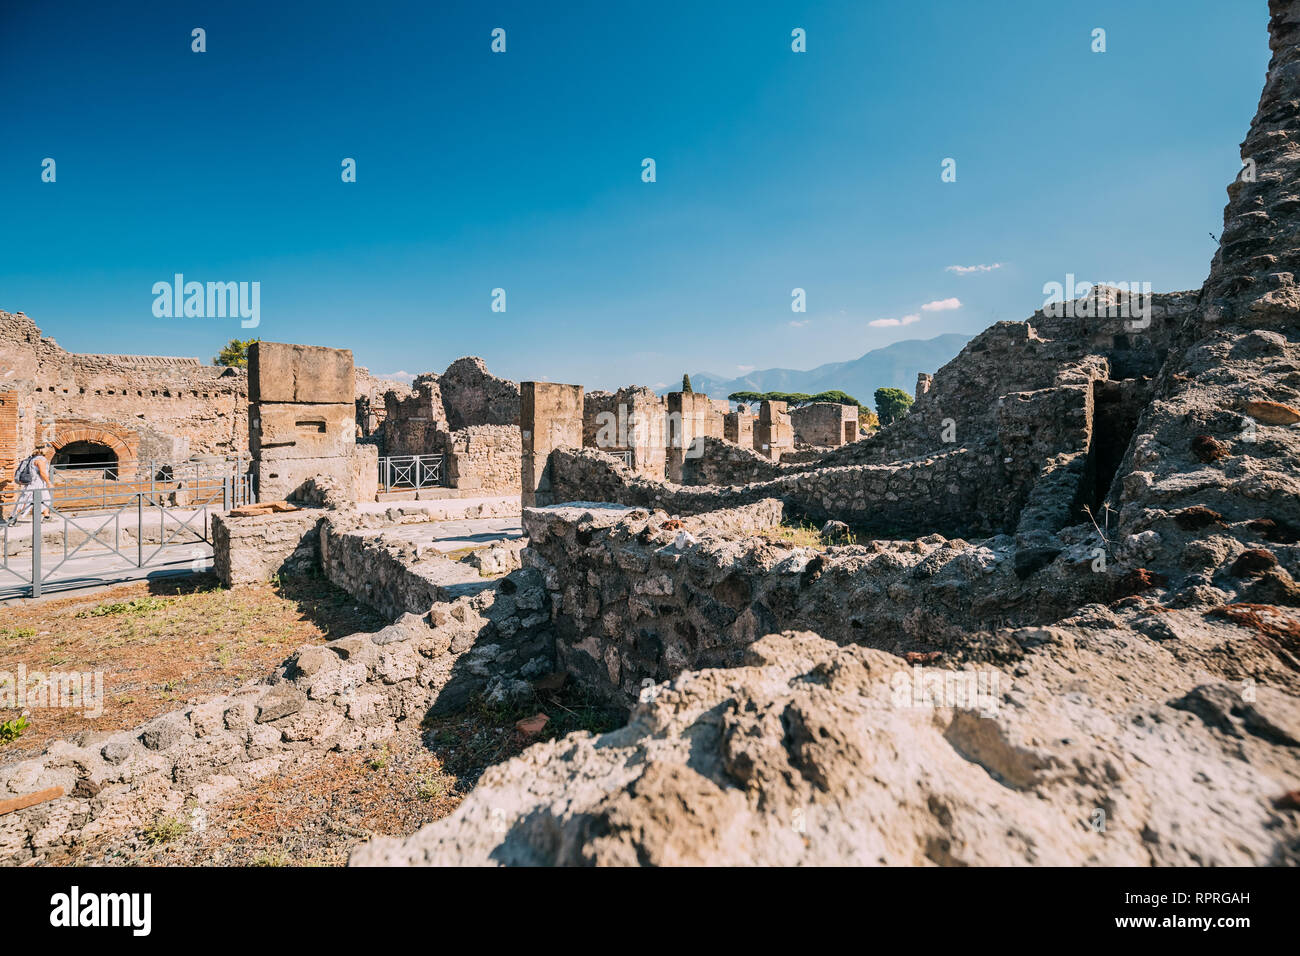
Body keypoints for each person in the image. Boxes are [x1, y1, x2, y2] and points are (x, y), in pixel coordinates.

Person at [7, 444, 53, 526]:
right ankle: (12, 518)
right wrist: (48, 482)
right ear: (43, 450)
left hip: (38, 483)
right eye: (47, 448)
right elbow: (42, 472)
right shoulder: (39, 460)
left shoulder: (33, 459)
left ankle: (47, 517)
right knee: (24, 501)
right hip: (36, 484)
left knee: (46, 499)